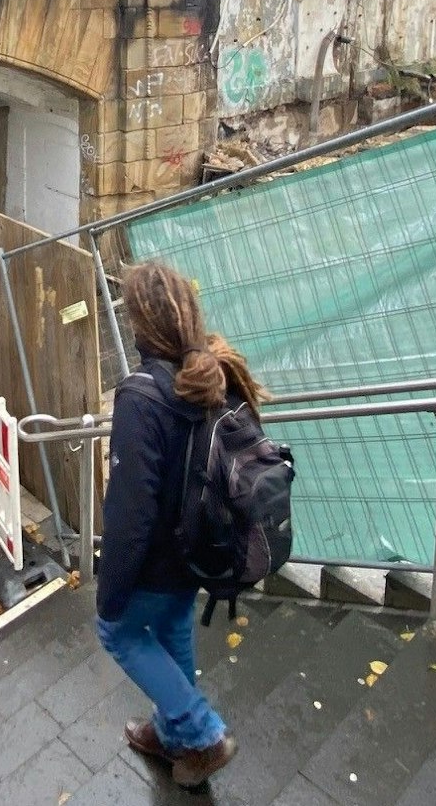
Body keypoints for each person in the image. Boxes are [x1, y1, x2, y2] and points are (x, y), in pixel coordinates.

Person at [96, 261, 256, 790]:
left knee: (118, 632)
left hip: (159, 561)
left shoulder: (141, 396)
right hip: (199, 551)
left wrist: (111, 590)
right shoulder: (210, 376)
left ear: (141, 324)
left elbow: (130, 513)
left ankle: (202, 734)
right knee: (170, 629)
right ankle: (172, 736)